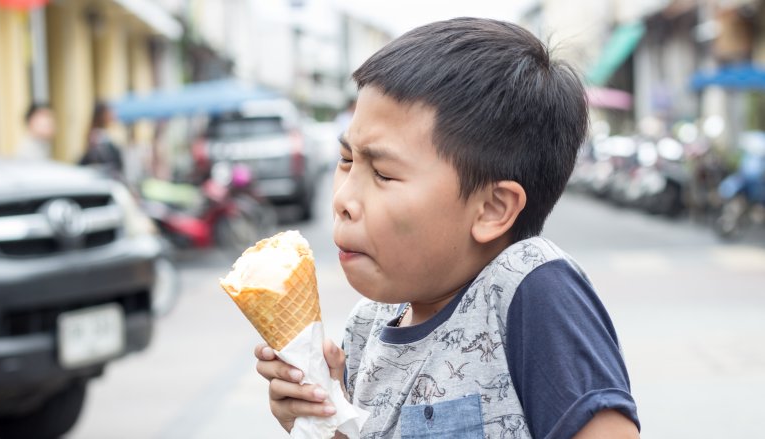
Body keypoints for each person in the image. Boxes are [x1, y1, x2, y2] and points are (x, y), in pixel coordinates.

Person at [255, 18, 640, 439]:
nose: (343, 200)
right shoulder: (365, 329)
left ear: (492, 209)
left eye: (382, 172)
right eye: (347, 160)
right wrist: (320, 418)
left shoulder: (530, 289)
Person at [79, 101, 124, 179]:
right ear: (102, 116)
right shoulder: (96, 137)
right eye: (109, 113)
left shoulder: (102, 135)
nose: (112, 116)